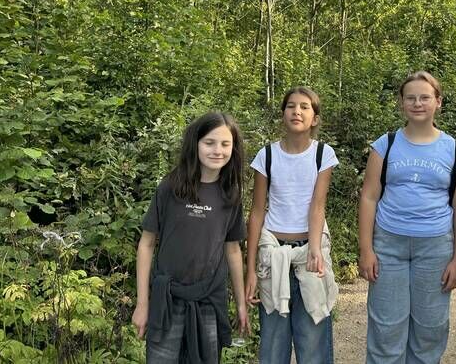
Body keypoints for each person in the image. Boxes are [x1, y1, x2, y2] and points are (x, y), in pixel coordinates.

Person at [358, 71, 456, 364]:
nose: (417, 103)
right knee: (386, 328)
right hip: (388, 245)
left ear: (438, 102)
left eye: (425, 97)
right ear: (401, 103)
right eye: (411, 98)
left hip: (435, 248)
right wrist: (366, 249)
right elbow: (369, 197)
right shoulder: (385, 145)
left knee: (430, 329)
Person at [132, 112, 249, 363]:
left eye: (225, 144)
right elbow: (146, 244)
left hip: (209, 300)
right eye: (209, 143)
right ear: (195, 143)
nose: (218, 150)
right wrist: (142, 304)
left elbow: (233, 250)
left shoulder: (231, 193)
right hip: (167, 300)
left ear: (234, 148)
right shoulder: (170, 187)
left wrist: (241, 304)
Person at [245, 86, 339, 364]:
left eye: (304, 107)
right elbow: (256, 212)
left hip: (310, 252)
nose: (297, 111)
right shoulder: (267, 155)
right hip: (272, 254)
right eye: (291, 106)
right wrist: (250, 269)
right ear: (283, 114)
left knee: (313, 342)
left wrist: (315, 249)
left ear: (315, 118)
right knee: (273, 345)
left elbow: (317, 205)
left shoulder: (322, 154)